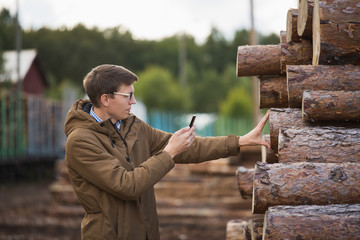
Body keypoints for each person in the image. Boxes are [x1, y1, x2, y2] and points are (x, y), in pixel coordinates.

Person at [64, 64, 270, 240]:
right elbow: (126, 185)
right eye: (128, 96)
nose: (133, 101)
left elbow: (190, 147)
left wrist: (240, 141)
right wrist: (169, 152)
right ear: (105, 99)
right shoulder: (81, 141)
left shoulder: (133, 126)